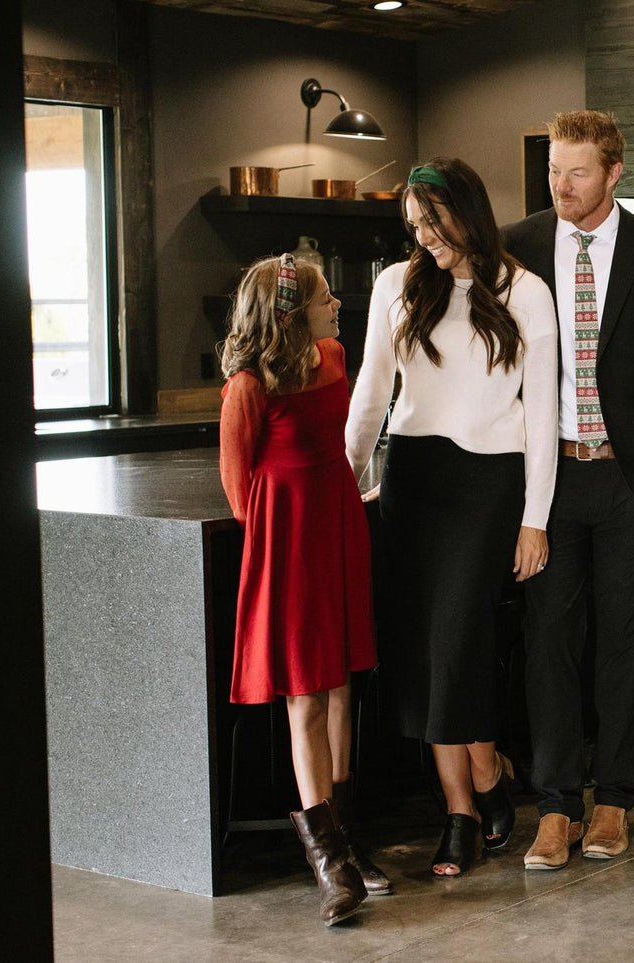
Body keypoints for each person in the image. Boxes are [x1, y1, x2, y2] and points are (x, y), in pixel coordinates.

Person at [502, 109, 634, 870]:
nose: (561, 184)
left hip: (633, 484)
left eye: (578, 171)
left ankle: (614, 800)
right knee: (548, 646)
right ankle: (554, 807)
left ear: (614, 172)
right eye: (555, 170)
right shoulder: (517, 246)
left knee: (623, 647)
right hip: (548, 482)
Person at [346, 158, 559, 877]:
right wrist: (342, 482)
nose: (424, 238)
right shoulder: (394, 285)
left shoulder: (525, 292)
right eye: (413, 227)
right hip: (414, 479)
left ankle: (489, 776)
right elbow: (370, 393)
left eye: (433, 224)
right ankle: (461, 807)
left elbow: (542, 416)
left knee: (458, 644)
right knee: (419, 652)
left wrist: (535, 517)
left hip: (488, 486)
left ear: (467, 212)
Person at [218, 253, 381, 925]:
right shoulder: (248, 387)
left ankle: (346, 834)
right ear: (290, 311)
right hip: (285, 543)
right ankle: (330, 865)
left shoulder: (336, 358)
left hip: (338, 525)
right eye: (323, 297)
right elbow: (237, 489)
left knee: (342, 684)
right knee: (306, 695)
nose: (336, 303)